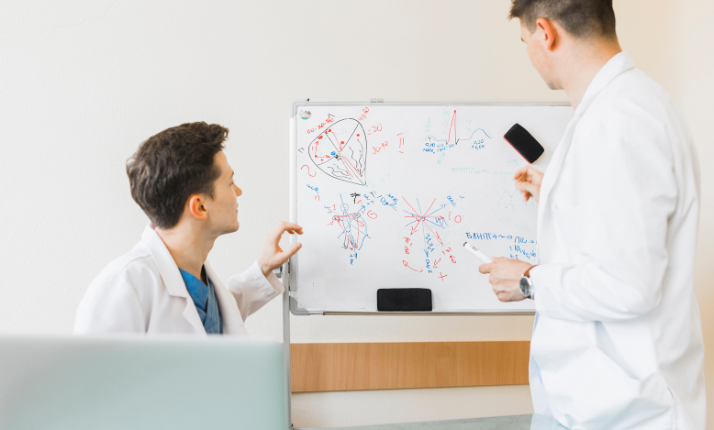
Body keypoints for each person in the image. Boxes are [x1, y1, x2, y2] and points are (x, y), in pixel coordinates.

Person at [479, 1, 706, 429]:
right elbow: (622, 224)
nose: (529, 54)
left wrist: (529, 280)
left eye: (525, 41)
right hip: (606, 406)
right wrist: (559, 191)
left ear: (545, 33)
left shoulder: (620, 121)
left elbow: (630, 285)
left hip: (633, 412)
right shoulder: (625, 107)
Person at [74, 122, 302, 335]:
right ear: (200, 206)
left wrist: (263, 267)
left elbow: (207, 328)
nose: (238, 192)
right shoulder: (123, 285)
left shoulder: (200, 280)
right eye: (230, 183)